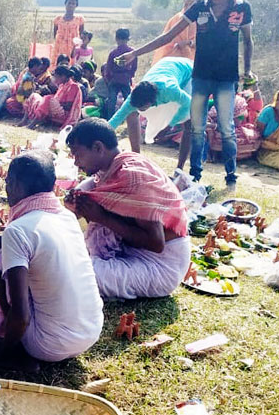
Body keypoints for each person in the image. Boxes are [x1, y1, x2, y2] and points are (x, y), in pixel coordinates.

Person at [117, 0, 254, 186]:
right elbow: (169, 36)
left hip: (227, 78)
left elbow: (247, 40)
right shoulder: (200, 8)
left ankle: (231, 176)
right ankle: (195, 174)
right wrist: (135, 53)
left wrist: (246, 70)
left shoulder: (242, 8)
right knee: (196, 127)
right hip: (200, 75)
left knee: (227, 128)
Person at [0, 151, 103, 370]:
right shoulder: (65, 216)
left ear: (18, 186)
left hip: (48, 345)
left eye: (8, 181)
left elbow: (20, 316)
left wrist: (4, 351)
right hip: (90, 332)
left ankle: (18, 352)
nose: (6, 187)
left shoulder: (18, 230)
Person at [65, 120, 191, 300]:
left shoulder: (133, 176)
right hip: (131, 251)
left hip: (160, 265)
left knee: (73, 274)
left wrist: (101, 217)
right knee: (86, 189)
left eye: (77, 154)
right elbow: (93, 192)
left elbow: (156, 243)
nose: (76, 162)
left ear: (98, 147)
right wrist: (81, 202)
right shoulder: (111, 168)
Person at [107, 56, 193, 154]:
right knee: (130, 113)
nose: (137, 108)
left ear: (148, 103)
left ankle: (181, 166)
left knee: (188, 119)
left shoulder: (170, 90)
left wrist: (168, 127)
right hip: (164, 66)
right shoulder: (134, 98)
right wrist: (98, 134)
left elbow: (189, 104)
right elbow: (116, 119)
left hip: (188, 72)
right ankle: (136, 154)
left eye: (140, 107)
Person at [152, 0, 199, 64]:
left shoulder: (202, 19)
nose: (188, 7)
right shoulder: (180, 18)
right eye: (186, 5)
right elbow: (180, 44)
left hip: (193, 58)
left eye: (192, 5)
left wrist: (190, 43)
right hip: (173, 58)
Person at [101, 28, 137, 119]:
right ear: (127, 39)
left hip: (115, 79)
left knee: (112, 101)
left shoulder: (113, 53)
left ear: (116, 39)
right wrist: (130, 76)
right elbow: (134, 67)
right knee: (129, 101)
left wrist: (109, 79)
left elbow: (108, 68)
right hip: (126, 78)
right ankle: (131, 118)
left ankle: (110, 119)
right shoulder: (132, 52)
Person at [51, 0, 86, 64]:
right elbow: (55, 33)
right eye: (69, 3)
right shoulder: (58, 19)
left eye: (73, 4)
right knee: (58, 65)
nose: (71, 5)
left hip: (73, 48)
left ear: (76, 5)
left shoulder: (79, 19)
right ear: (65, 3)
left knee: (71, 66)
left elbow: (82, 35)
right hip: (59, 47)